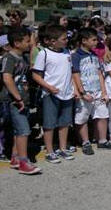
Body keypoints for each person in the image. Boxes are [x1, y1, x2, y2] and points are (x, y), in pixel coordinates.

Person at [32, 25, 77, 162]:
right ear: (52, 41)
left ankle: (63, 148)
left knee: (64, 123)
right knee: (49, 124)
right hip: (51, 94)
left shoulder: (66, 53)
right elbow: (36, 75)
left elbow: (70, 72)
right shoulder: (43, 54)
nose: (66, 41)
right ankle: (49, 151)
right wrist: (49, 87)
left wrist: (74, 88)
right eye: (63, 39)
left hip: (67, 93)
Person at [1, 28, 41, 174]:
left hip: (23, 99)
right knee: (23, 130)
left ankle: (15, 157)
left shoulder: (23, 57)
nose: (30, 43)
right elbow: (7, 78)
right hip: (13, 101)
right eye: (27, 41)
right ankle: (24, 162)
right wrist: (17, 97)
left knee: (20, 130)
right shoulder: (9, 58)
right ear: (17, 43)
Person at [72, 28, 111, 151]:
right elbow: (75, 75)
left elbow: (100, 74)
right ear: (84, 41)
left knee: (102, 115)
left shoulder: (95, 56)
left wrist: (104, 92)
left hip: (98, 91)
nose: (96, 42)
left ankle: (102, 140)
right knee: (82, 117)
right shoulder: (76, 56)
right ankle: (85, 142)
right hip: (85, 93)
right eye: (93, 40)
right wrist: (82, 92)